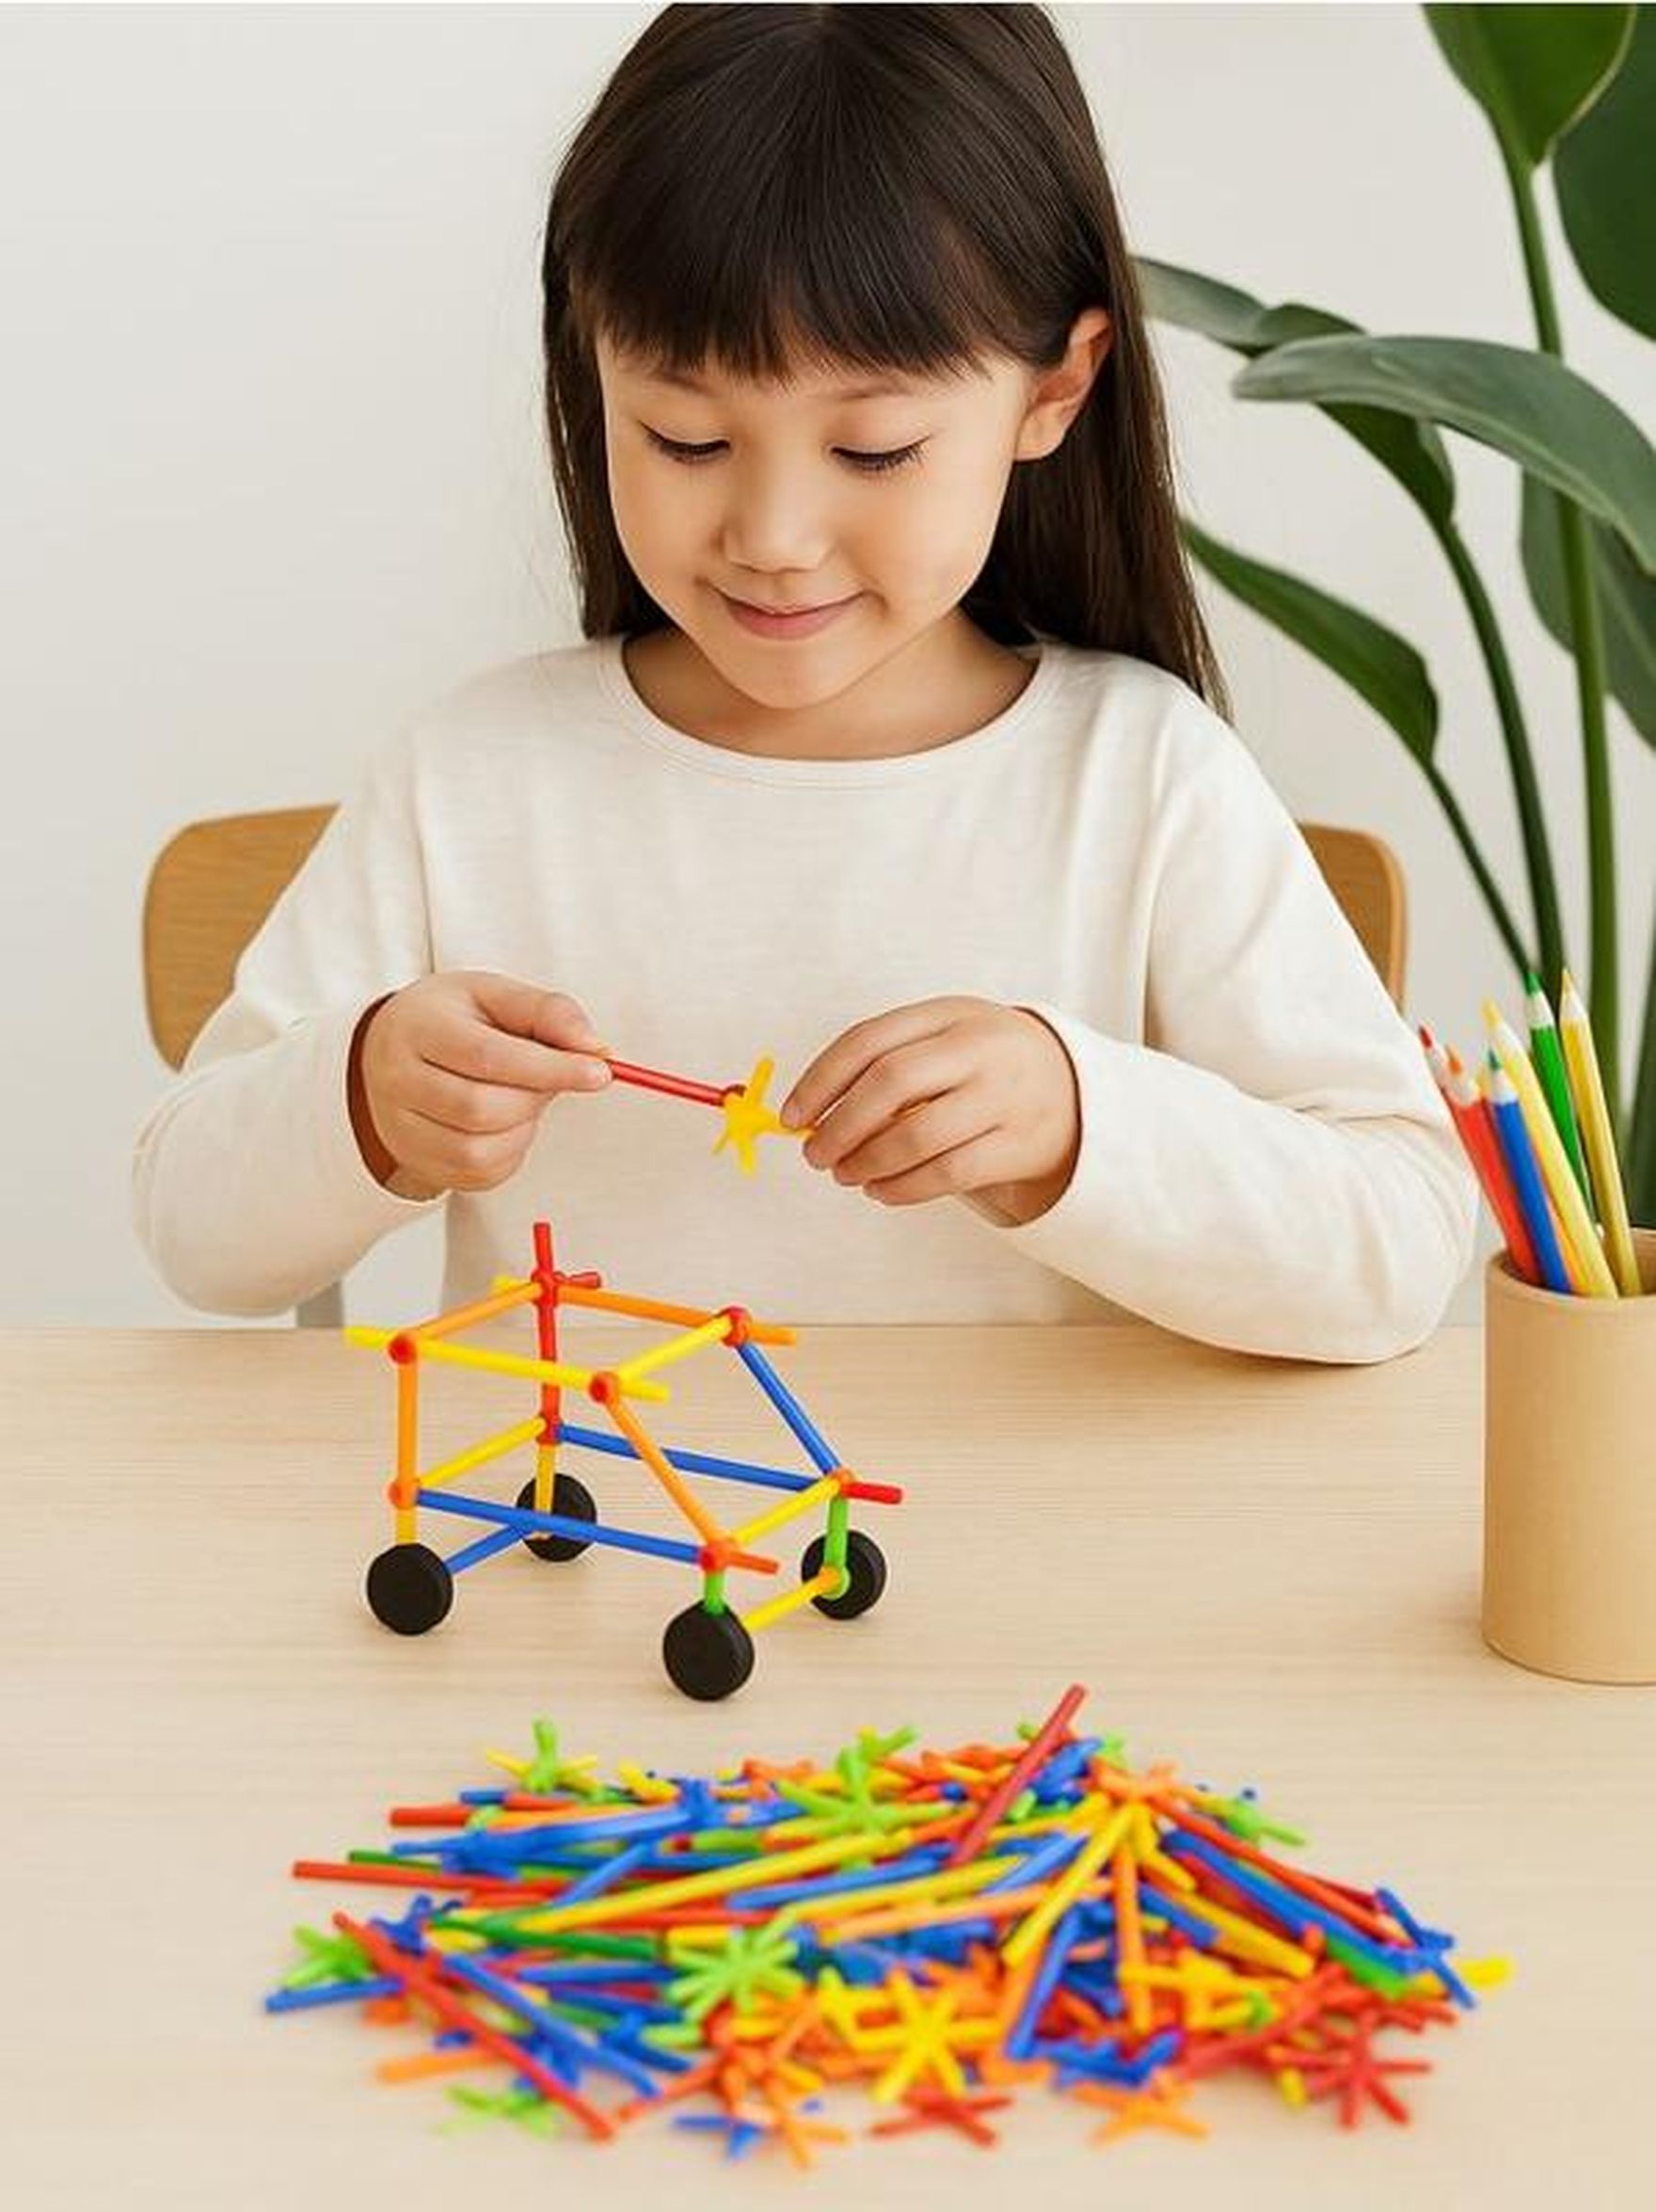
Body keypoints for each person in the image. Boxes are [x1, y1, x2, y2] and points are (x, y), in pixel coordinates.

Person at [132, 3, 1476, 1361]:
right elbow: (196, 1234)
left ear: (1053, 393)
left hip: (1022, 1505)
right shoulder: (472, 776)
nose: (773, 538)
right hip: (584, 1492)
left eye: (875, 450)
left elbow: (1403, 1243)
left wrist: (1085, 1124)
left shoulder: (1141, 777)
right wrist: (362, 1100)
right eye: (686, 437)